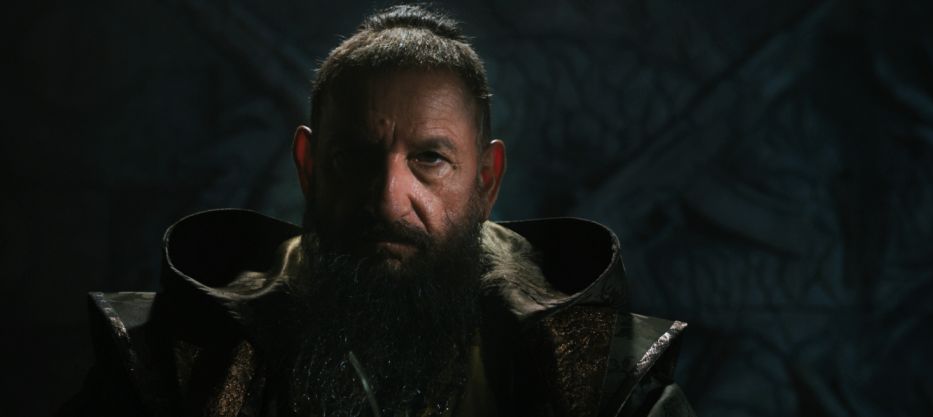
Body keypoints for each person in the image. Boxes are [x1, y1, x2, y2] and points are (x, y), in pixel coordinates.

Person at [61, 4, 696, 417]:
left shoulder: (603, 377)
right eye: (355, 157)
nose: (388, 198)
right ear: (309, 167)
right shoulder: (171, 361)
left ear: (486, 180)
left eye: (430, 158)